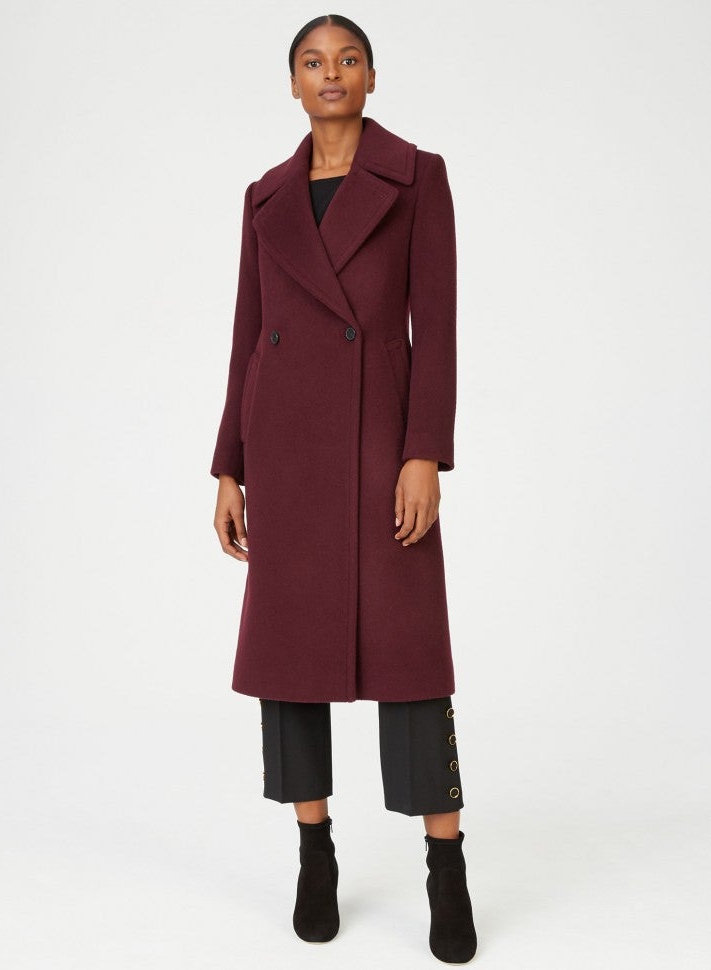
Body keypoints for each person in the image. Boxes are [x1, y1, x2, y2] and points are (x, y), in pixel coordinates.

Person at [210, 14, 477, 964]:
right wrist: (230, 464)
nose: (332, 74)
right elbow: (249, 335)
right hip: (286, 450)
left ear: (371, 77)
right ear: (293, 84)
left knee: (411, 659)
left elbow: (434, 327)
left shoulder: (417, 177)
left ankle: (446, 867)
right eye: (314, 62)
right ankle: (314, 853)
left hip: (379, 446)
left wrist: (423, 451)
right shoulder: (265, 197)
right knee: (291, 661)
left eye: (348, 59)